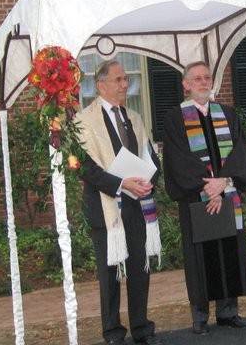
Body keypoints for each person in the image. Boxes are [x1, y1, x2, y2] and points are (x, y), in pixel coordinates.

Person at [162, 61, 246, 335]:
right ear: (186, 84)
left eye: (207, 78)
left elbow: (240, 153)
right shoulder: (174, 118)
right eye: (197, 79)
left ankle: (228, 311)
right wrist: (207, 188)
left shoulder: (227, 114)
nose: (204, 82)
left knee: (228, 247)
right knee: (200, 256)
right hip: (195, 197)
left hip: (226, 193)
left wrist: (224, 183)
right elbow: (178, 160)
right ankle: (200, 315)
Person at [76, 59, 163, 345]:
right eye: (119, 79)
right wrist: (120, 183)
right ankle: (113, 332)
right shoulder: (83, 122)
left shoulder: (134, 118)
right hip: (106, 207)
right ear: (101, 84)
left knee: (140, 268)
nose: (125, 84)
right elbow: (84, 168)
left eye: (126, 79)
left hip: (137, 204)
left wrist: (151, 178)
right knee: (110, 272)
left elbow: (150, 155)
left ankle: (142, 328)